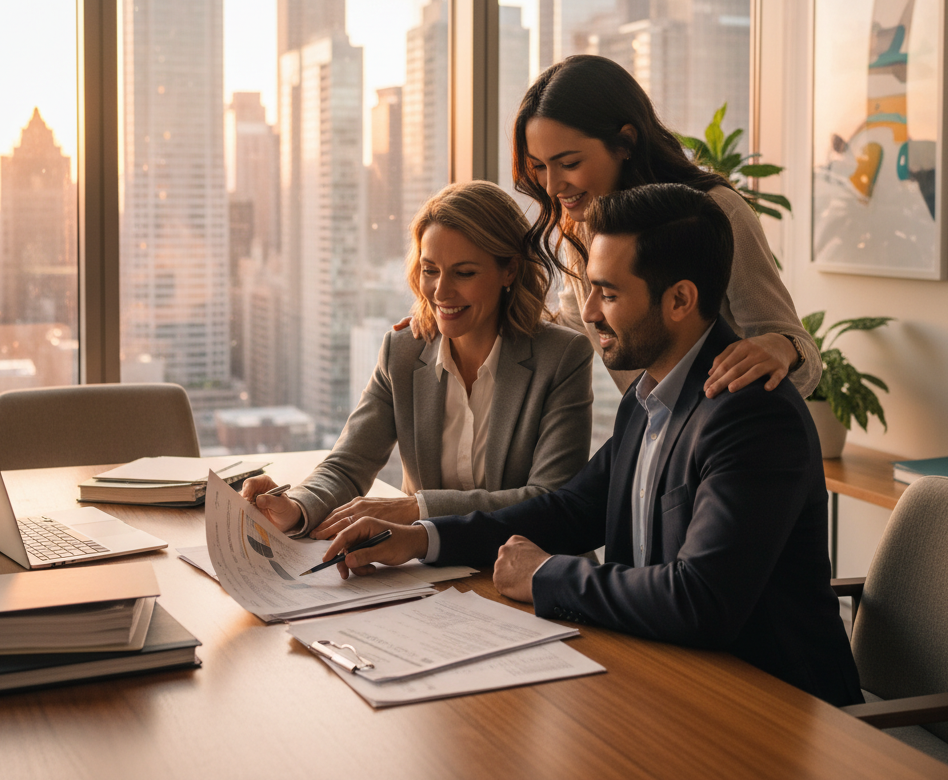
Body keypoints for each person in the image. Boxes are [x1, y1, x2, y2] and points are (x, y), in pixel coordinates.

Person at [322, 184, 862, 707]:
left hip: (771, 707)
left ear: (680, 300)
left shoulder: (751, 415)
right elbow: (572, 509)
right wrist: (421, 539)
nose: (589, 313)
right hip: (662, 679)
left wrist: (544, 574)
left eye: (608, 293)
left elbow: (702, 600)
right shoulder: (649, 397)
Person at [242, 180, 594, 538]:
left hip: (523, 572)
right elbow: (349, 464)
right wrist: (297, 507)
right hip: (428, 574)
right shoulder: (403, 351)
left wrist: (417, 509)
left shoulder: (562, 358)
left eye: (464, 272)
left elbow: (549, 499)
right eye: (430, 270)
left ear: (510, 270)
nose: (441, 291)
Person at [512, 54, 820, 399]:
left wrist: (783, 347)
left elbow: (802, 357)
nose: (552, 186)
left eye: (569, 163)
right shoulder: (583, 225)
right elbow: (571, 326)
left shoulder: (714, 213)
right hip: (654, 437)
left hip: (719, 437)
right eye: (538, 167)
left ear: (625, 142)